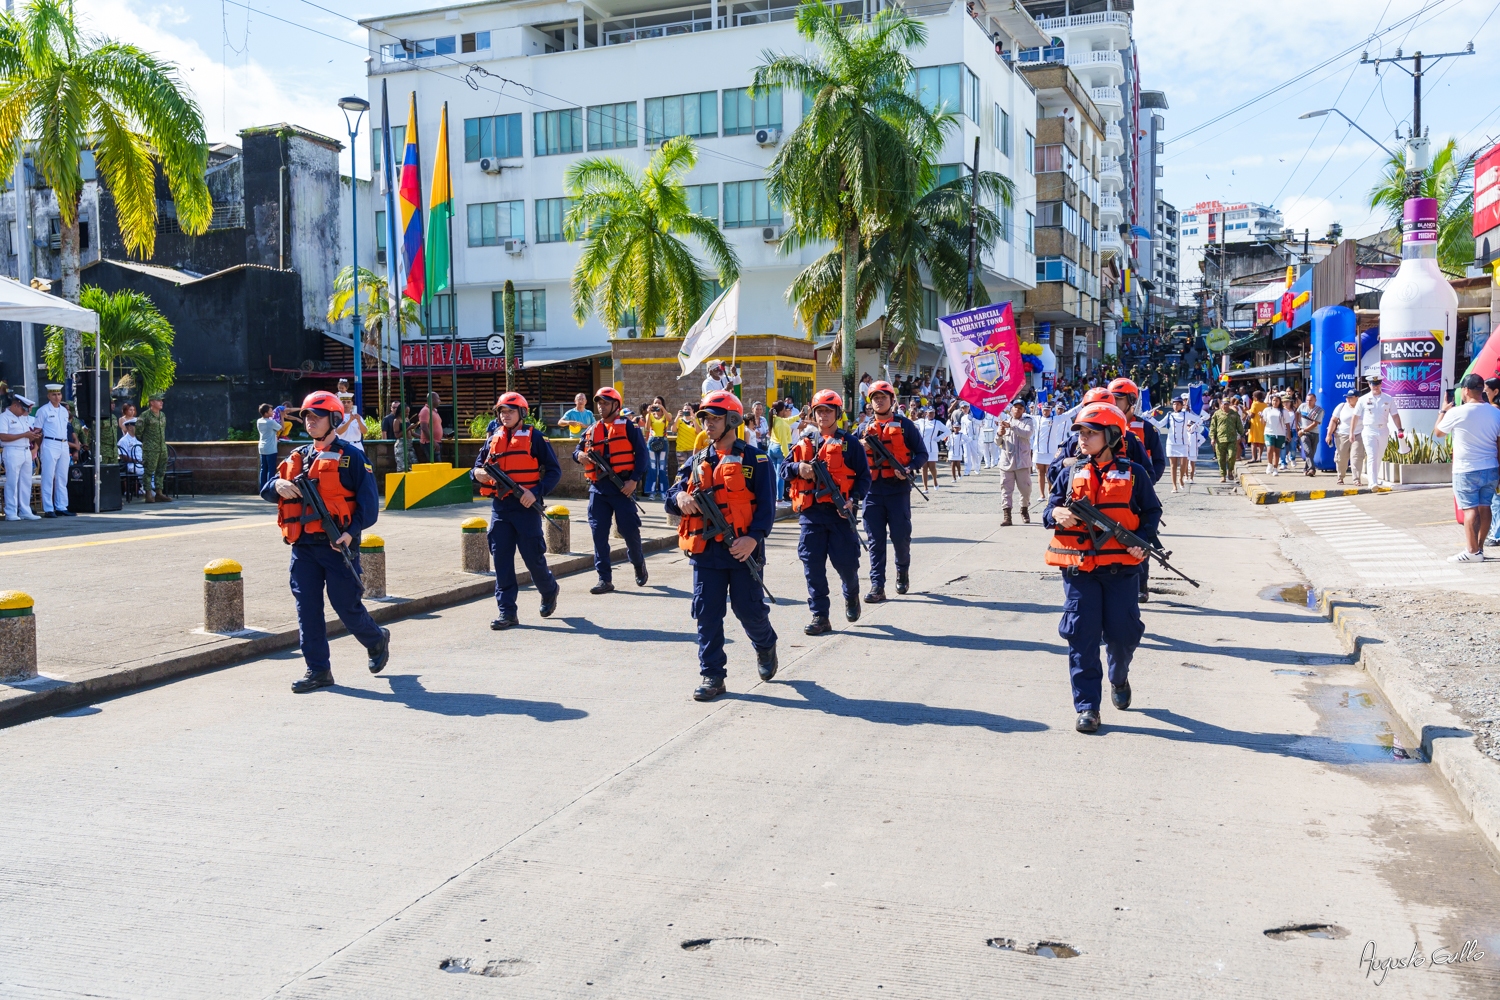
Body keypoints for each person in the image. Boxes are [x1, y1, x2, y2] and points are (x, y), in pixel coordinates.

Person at [1043, 402, 1161, 734]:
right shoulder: (1069, 473)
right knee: (1081, 635)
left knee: (1123, 636)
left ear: (1110, 436)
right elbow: (1049, 507)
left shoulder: (1135, 474)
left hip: (1121, 570)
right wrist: (1056, 514)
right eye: (1080, 432)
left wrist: (1140, 539)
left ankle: (1119, 675)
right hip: (1080, 570)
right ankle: (1088, 708)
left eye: (1090, 433)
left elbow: (1151, 513)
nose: (1082, 438)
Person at [261, 390, 390, 693]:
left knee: (346, 605)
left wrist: (350, 532)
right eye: (306, 416)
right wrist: (277, 484)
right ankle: (318, 670)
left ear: (334, 420)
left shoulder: (353, 458)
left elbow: (369, 507)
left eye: (317, 417)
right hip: (303, 547)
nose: (310, 422)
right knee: (307, 608)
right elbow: (266, 489)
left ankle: (376, 639)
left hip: (337, 545)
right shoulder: (298, 456)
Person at [666, 390, 779, 701]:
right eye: (705, 419)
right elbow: (671, 494)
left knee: (749, 610)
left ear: (731, 420)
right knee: (707, 612)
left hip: (743, 551)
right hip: (706, 552)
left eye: (714, 418)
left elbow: (768, 508)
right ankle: (712, 674)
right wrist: (680, 498)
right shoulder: (697, 460)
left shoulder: (756, 460)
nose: (708, 424)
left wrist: (752, 538)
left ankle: (766, 643)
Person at [472, 392, 562, 626]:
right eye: (502, 411)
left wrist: (536, 492)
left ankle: (549, 589)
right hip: (501, 507)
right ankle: (507, 612)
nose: (505, 415)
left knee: (533, 558)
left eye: (510, 411)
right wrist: (477, 474)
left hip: (526, 507)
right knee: (501, 560)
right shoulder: (493, 438)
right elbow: (477, 467)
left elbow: (554, 471)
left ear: (521, 413)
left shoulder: (536, 438)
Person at [785, 390, 871, 634]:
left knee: (846, 566)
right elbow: (783, 470)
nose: (823, 415)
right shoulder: (804, 443)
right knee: (812, 568)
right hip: (811, 516)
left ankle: (851, 595)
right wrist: (797, 467)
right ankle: (820, 616)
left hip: (840, 516)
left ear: (837, 413)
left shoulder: (850, 443)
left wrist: (853, 500)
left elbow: (864, 478)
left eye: (828, 411)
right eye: (819, 411)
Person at [573, 386, 649, 593]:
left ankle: (638, 564)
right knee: (599, 534)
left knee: (629, 531)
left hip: (622, 488)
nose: (600, 406)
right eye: (599, 402)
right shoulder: (591, 429)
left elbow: (642, 456)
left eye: (605, 402)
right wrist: (579, 455)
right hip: (598, 489)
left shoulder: (629, 427)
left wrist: (634, 481)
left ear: (616, 405)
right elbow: (578, 449)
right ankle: (604, 579)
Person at [860, 380, 926, 602]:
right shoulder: (861, 429)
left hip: (897, 489)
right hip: (872, 491)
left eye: (883, 397)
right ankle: (877, 585)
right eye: (875, 398)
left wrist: (909, 468)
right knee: (875, 540)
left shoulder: (906, 425)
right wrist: (860, 446)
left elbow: (921, 453)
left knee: (900, 537)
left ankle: (902, 571)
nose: (879, 401)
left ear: (891, 400)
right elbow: (849, 458)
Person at [1434, 373, 1500, 562]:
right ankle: (1479, 547)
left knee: (1470, 509)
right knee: (1485, 507)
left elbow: (1438, 432)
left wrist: (1443, 411)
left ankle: (1472, 552)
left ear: (1466, 390)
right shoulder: (1496, 412)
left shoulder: (1457, 412)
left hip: (1466, 469)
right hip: (1491, 467)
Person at [1351, 375, 1404, 488]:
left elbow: (1395, 415)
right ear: (1369, 385)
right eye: (1373, 384)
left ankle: (1374, 478)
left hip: (1383, 429)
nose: (1375, 386)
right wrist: (1352, 432)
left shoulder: (1388, 398)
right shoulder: (1363, 399)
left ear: (1381, 384)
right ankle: (1372, 482)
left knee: (1379, 455)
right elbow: (1355, 417)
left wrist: (1399, 428)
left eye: (1377, 384)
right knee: (1372, 455)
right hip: (1369, 430)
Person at [33, 384, 73, 517]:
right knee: (48, 477)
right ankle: (48, 508)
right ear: (48, 396)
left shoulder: (64, 411)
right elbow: (37, 431)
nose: (57, 397)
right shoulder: (43, 410)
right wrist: (37, 448)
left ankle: (61, 506)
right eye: (54, 395)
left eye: (59, 394)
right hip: (50, 443)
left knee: (62, 477)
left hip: (63, 444)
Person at [1, 393, 40, 520]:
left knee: (26, 481)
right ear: (15, 405)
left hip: (25, 450)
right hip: (12, 451)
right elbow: (3, 436)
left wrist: (32, 435)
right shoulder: (4, 417)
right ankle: (11, 511)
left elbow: (27, 433)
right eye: (23, 409)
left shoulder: (22, 417)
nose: (24, 412)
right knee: (12, 482)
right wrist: (24, 435)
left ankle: (25, 509)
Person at [1149, 395, 1198, 493]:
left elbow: (1199, 420)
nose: (1176, 406)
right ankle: (1174, 486)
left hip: (1183, 443)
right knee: (1173, 465)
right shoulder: (1169, 415)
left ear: (1181, 405)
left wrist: (1192, 427)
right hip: (1171, 443)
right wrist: (1149, 418)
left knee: (1183, 464)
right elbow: (1159, 424)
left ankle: (1180, 479)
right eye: (1174, 404)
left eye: (1178, 404)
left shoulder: (1186, 414)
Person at [996, 400, 1035, 524]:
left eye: (1020, 408)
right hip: (1007, 461)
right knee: (1006, 489)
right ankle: (1007, 516)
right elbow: (997, 442)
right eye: (1015, 407)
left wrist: (1011, 427)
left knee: (1025, 490)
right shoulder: (1004, 421)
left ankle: (1024, 509)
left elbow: (1027, 433)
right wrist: (999, 434)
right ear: (1011, 409)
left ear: (1024, 410)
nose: (1017, 410)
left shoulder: (1028, 421)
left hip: (1022, 462)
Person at [136, 393, 170, 503]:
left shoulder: (163, 415)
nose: (161, 402)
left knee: (161, 470)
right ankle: (148, 493)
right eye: (158, 400)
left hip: (162, 447)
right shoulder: (145, 416)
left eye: (162, 400)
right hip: (150, 448)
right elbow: (138, 433)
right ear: (151, 402)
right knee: (149, 471)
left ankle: (159, 493)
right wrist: (148, 442)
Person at [1325, 389, 1364, 485]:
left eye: (1350, 397)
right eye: (1347, 397)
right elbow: (1333, 420)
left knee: (1356, 456)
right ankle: (1340, 477)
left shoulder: (1363, 407)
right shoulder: (1341, 406)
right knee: (1341, 457)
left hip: (1358, 434)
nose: (1348, 399)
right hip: (1342, 434)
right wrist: (1329, 434)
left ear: (1357, 398)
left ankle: (1356, 479)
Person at [1208, 397, 1243, 482]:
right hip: (1220, 440)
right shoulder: (1217, 414)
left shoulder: (1234, 414)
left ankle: (1230, 471)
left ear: (1229, 405)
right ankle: (1223, 475)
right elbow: (1213, 427)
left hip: (1232, 439)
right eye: (1224, 404)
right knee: (1221, 458)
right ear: (1221, 405)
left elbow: (1239, 426)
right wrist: (1212, 438)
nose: (1225, 406)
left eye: (1227, 404)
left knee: (1231, 456)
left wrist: (1242, 435)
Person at [643, 396, 671, 500]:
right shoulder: (649, 415)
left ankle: (663, 491)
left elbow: (669, 419)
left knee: (662, 468)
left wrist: (662, 409)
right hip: (652, 441)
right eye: (655, 403)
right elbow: (647, 428)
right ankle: (652, 492)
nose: (657, 404)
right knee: (652, 467)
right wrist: (649, 413)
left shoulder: (666, 415)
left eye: (659, 403)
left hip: (663, 441)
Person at [914, 406, 948, 490]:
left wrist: (939, 438)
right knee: (924, 468)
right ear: (926, 413)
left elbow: (948, 431)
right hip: (922, 447)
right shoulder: (921, 421)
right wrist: (901, 413)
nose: (931, 414)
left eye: (933, 413)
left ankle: (935, 481)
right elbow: (910, 422)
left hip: (933, 447)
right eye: (929, 413)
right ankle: (925, 487)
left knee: (932, 467)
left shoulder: (938, 423)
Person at [767, 401, 795, 501]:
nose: (786, 410)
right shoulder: (781, 423)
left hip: (772, 447)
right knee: (780, 475)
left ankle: (774, 496)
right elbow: (783, 442)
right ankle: (779, 499)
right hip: (780, 449)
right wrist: (788, 456)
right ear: (782, 411)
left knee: (774, 474)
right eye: (784, 409)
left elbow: (788, 421)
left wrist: (799, 415)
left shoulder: (775, 419)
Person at [1295, 392, 1324, 477]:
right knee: (1308, 451)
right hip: (1304, 434)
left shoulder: (1319, 410)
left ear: (1315, 400)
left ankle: (1306, 469)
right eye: (1307, 400)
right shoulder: (1302, 406)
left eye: (1311, 400)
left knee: (1311, 453)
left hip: (1314, 433)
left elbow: (1315, 424)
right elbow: (1297, 413)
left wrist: (1303, 430)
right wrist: (1297, 424)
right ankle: (1312, 469)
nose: (1309, 402)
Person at [1261, 392, 1288, 476]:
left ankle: (1275, 468)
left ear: (1280, 402)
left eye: (1276, 401)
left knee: (1277, 452)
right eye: (1273, 400)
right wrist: (1261, 417)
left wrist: (1288, 434)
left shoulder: (1284, 411)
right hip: (1269, 432)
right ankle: (1269, 464)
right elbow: (1263, 422)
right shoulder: (1267, 410)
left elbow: (1287, 424)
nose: (1274, 402)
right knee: (1269, 449)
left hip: (1280, 433)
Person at [256, 403, 281, 490]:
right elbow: (281, 428)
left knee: (263, 469)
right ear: (266, 413)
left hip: (262, 447)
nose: (273, 412)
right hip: (271, 448)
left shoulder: (259, 421)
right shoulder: (271, 422)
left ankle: (262, 488)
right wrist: (282, 416)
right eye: (270, 411)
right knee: (271, 469)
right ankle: (269, 489)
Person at [416, 391, 444, 463]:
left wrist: (445, 435)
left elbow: (435, 426)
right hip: (429, 443)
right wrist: (433, 442)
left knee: (438, 465)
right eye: (438, 399)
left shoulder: (434, 411)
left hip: (435, 442)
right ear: (432, 400)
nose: (439, 401)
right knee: (436, 465)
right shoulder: (425, 411)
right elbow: (424, 428)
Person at [381, 401, 408, 472]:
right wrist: (385, 444)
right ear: (391, 408)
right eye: (394, 407)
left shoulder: (404, 418)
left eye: (397, 407)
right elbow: (384, 432)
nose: (396, 409)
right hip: (392, 442)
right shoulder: (387, 419)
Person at [1247, 390, 1267, 463]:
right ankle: (1259, 457)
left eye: (1253, 396)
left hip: (1255, 424)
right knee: (1261, 441)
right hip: (1263, 424)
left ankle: (1253, 457)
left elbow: (1252, 415)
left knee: (1253, 441)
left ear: (1255, 397)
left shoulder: (1254, 404)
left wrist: (1247, 412)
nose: (1252, 397)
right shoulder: (1265, 404)